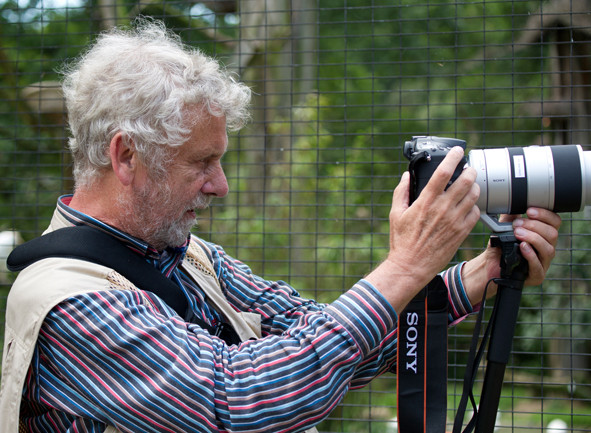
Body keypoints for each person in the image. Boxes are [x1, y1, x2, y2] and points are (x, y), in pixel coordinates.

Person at [0, 19, 561, 433]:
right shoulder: (68, 303)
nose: (220, 185)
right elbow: (237, 399)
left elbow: (334, 343)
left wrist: (479, 273)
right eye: (201, 162)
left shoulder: (192, 259)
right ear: (126, 158)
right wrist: (406, 265)